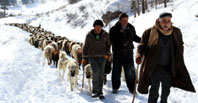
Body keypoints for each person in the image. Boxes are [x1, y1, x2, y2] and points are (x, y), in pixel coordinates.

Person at [136, 12, 196, 103]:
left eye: (168, 21)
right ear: (159, 21)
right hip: (154, 66)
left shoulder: (176, 32)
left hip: (168, 66)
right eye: (164, 21)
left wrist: (179, 57)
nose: (166, 23)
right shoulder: (149, 32)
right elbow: (142, 45)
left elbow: (180, 45)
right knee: (154, 87)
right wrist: (139, 55)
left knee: (166, 88)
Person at [109, 13, 141, 94]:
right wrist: (107, 52)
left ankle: (132, 88)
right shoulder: (113, 29)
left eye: (126, 20)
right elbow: (109, 41)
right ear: (119, 20)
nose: (125, 22)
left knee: (130, 72)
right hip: (117, 55)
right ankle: (115, 87)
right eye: (123, 20)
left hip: (128, 54)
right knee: (116, 72)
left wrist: (143, 40)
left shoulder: (131, 28)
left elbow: (134, 37)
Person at [82, 19, 111, 99]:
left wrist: (108, 53)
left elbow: (108, 45)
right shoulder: (89, 35)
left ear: (102, 27)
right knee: (96, 72)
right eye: (97, 27)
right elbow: (85, 46)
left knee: (101, 74)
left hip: (103, 57)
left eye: (100, 27)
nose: (98, 28)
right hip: (92, 57)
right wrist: (84, 57)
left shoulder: (106, 35)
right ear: (94, 27)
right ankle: (94, 91)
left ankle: (100, 91)